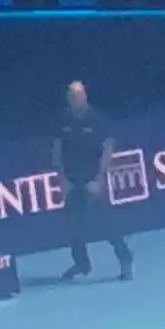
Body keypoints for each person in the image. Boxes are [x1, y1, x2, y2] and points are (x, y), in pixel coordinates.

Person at [55, 80, 134, 282]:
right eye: (72, 97)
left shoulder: (98, 119)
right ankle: (82, 263)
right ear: (68, 99)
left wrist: (98, 180)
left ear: (85, 97)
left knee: (107, 225)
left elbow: (107, 150)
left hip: (93, 180)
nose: (76, 99)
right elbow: (57, 149)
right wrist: (63, 180)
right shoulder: (63, 119)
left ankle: (125, 260)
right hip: (72, 181)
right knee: (73, 227)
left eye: (79, 96)